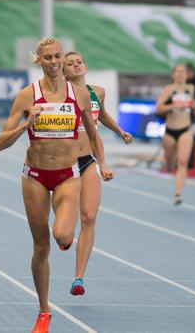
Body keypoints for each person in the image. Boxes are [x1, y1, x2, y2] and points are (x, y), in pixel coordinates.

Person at [0, 37, 113, 333]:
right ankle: (44, 311)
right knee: (41, 247)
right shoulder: (27, 96)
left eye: (58, 56)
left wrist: (102, 163)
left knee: (61, 234)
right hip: (34, 176)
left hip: (67, 175)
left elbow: (94, 132)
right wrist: (26, 125)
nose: (55, 62)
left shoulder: (81, 95)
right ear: (40, 61)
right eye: (48, 57)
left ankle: (65, 237)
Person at [63, 51, 132, 297]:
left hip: (87, 160)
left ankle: (78, 278)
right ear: (64, 72)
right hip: (63, 162)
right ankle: (64, 236)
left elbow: (101, 116)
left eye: (78, 61)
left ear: (85, 66)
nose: (76, 65)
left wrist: (120, 132)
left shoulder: (97, 92)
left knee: (89, 217)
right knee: (64, 228)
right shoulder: (61, 93)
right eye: (70, 64)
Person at [154, 63, 195, 205]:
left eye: (183, 72)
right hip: (170, 131)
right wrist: (173, 105)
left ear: (187, 75)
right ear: (173, 75)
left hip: (185, 129)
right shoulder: (169, 90)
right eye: (178, 72)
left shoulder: (191, 89)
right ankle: (166, 162)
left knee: (182, 162)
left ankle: (178, 194)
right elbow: (158, 109)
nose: (181, 74)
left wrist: (193, 106)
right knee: (169, 165)